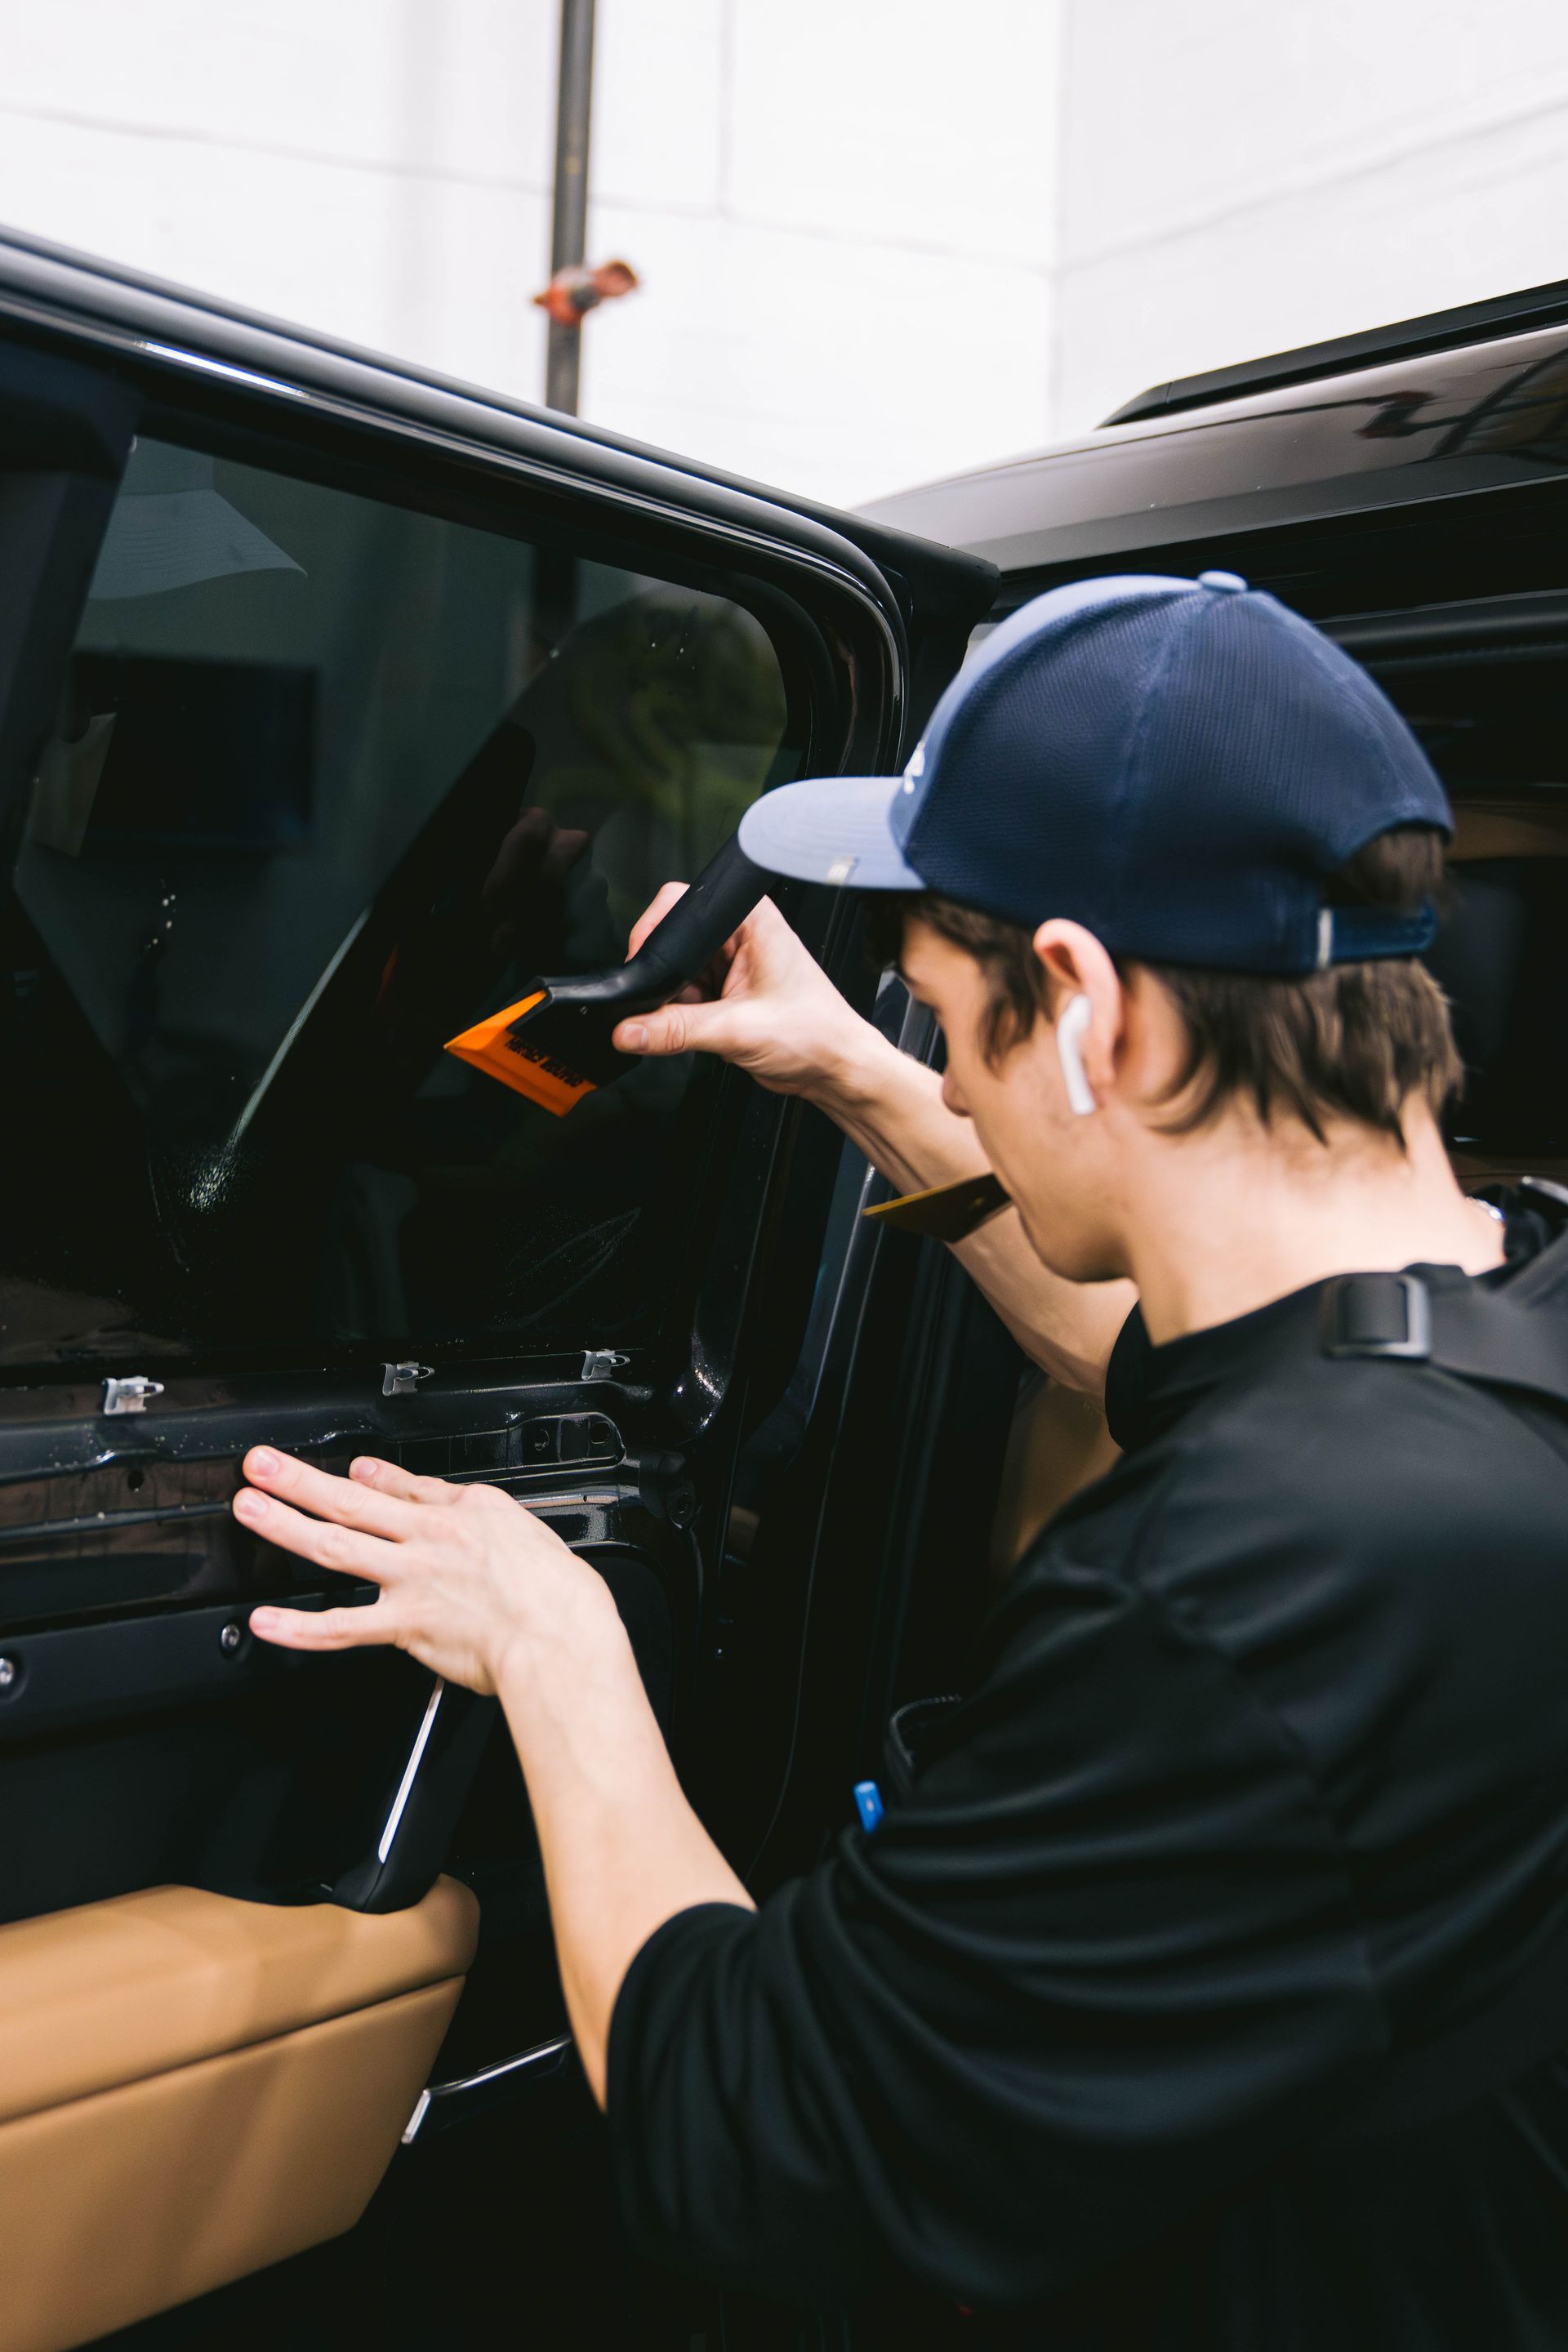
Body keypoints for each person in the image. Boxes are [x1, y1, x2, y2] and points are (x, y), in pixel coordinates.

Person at [235, 574, 1568, 2348]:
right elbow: (1159, 1355)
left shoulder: (1233, 1589)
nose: (955, 1066)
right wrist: (869, 1080)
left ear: (1086, 1003)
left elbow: (748, 2135)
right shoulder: (1500, 1316)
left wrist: (553, 1644)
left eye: (949, 1011)